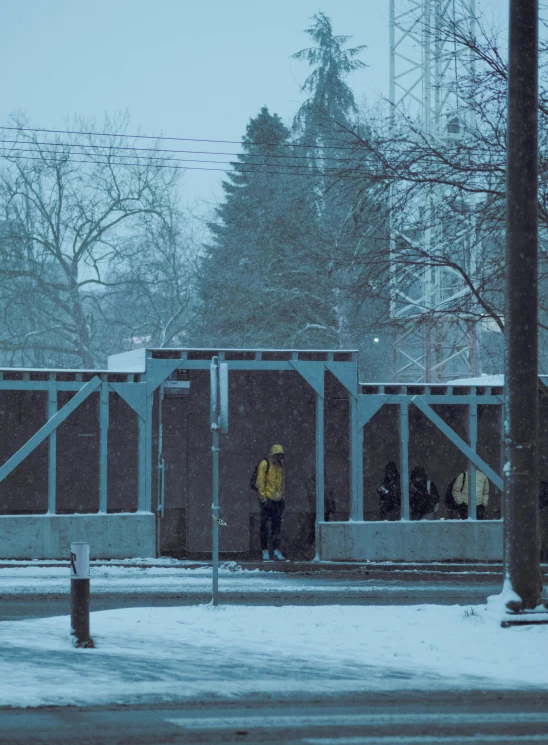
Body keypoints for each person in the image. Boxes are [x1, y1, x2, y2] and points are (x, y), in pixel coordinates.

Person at [256, 444, 286, 561]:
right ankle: (265, 550)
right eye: (277, 455)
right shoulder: (265, 464)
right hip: (267, 500)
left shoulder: (280, 465)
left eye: (280, 455)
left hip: (277, 500)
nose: (279, 457)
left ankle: (276, 550)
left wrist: (282, 497)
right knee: (264, 527)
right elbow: (260, 482)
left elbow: (282, 483)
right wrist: (263, 499)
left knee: (276, 527)